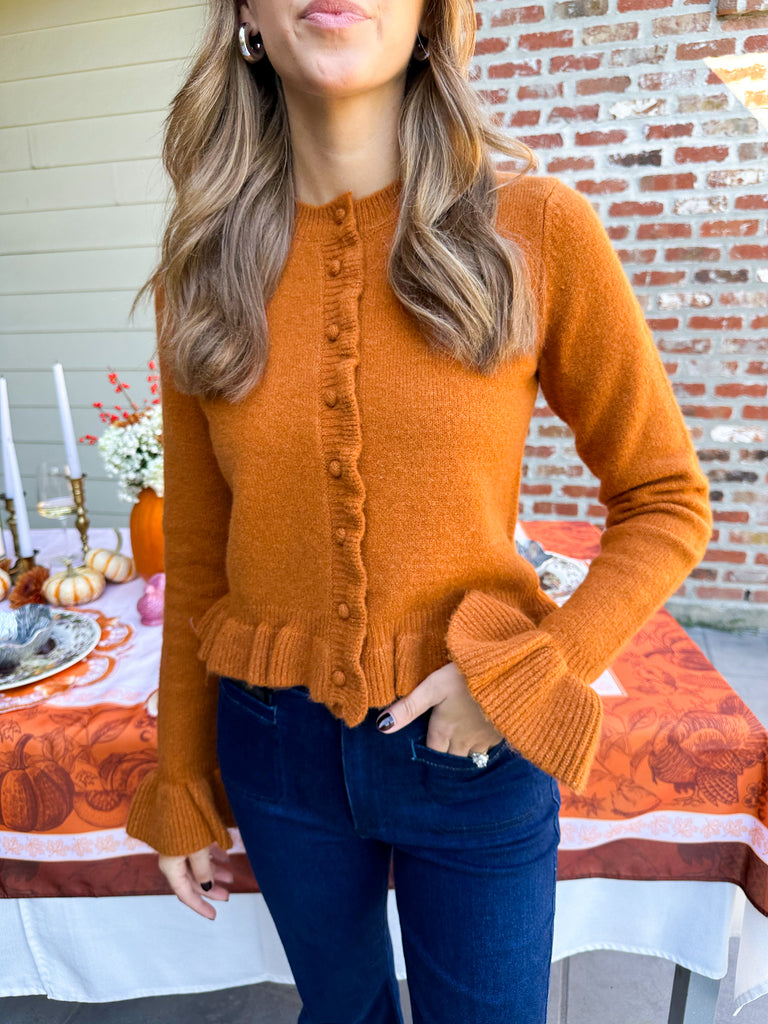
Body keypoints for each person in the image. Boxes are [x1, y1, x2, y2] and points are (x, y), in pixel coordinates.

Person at [125, 1, 713, 1021]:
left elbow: (665, 499)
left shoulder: (534, 228)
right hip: (273, 746)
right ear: (248, 16)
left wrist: (526, 676)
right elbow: (200, 555)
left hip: (474, 740)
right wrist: (182, 774)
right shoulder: (204, 271)